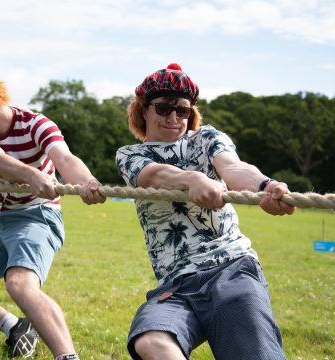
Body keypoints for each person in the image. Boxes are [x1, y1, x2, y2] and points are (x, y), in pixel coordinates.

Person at [115, 63, 295, 360]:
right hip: (177, 284)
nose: (173, 118)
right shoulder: (130, 155)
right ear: (143, 110)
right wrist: (193, 179)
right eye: (163, 108)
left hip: (232, 269)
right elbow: (155, 175)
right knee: (152, 341)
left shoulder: (207, 138)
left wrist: (265, 185)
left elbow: (234, 167)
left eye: (182, 110)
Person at [0, 57, 106, 359]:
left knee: (20, 284)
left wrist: (88, 182)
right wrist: (30, 173)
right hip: (5, 223)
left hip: (40, 218)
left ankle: (67, 356)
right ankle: (14, 327)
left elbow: (64, 159)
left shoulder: (36, 124)